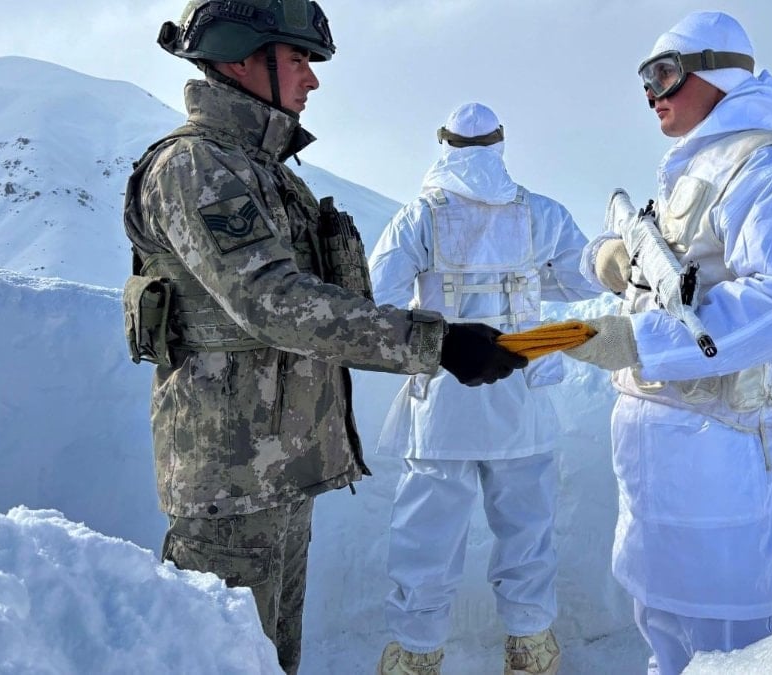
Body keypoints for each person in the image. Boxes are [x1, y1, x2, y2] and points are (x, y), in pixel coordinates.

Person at [121, 3, 525, 673]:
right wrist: (439, 344)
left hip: (276, 475)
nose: (312, 80)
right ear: (242, 55)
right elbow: (274, 303)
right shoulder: (197, 168)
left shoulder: (264, 172)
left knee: (273, 661)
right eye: (299, 59)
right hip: (230, 487)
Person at [563, 11, 772, 675]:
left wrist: (639, 339)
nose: (651, 93)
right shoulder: (693, 171)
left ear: (715, 73)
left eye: (664, 73)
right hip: (658, 467)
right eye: (645, 78)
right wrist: (610, 262)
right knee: (663, 636)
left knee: (730, 652)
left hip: (720, 462)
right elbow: (659, 277)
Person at [368, 102, 603, 675]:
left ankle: (416, 651)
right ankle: (530, 645)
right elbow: (580, 280)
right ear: (501, 145)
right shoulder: (542, 214)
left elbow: (380, 298)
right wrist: (526, 281)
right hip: (520, 393)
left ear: (442, 144)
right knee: (527, 529)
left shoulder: (418, 216)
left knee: (426, 535)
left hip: (443, 397)